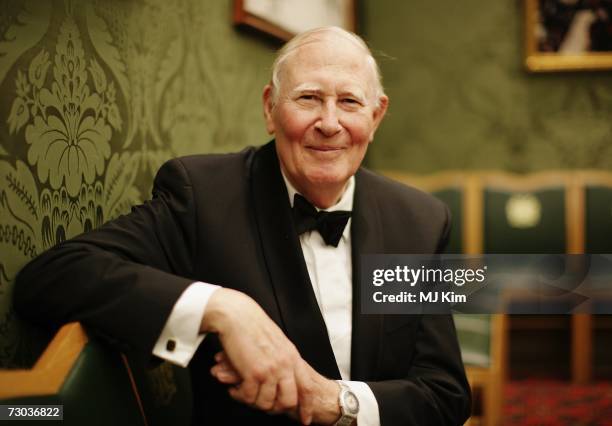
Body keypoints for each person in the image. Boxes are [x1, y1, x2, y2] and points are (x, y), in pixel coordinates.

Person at [14, 27, 471, 425]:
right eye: (309, 97)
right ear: (271, 109)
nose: (329, 123)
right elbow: (52, 276)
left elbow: (445, 396)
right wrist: (222, 307)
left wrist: (333, 401)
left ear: (375, 117)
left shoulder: (420, 221)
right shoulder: (204, 196)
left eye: (349, 102)